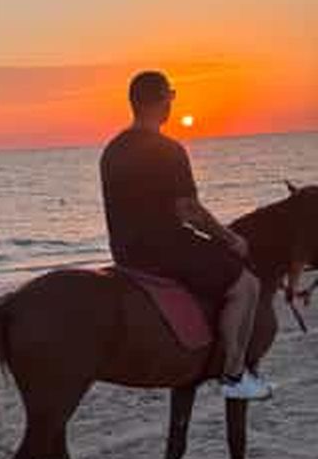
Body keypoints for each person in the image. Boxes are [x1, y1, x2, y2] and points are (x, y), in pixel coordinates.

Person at [100, 71, 271, 401]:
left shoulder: (113, 150)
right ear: (161, 101)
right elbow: (189, 211)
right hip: (165, 248)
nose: (170, 105)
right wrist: (229, 238)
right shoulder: (167, 149)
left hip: (124, 252)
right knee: (246, 284)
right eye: (170, 97)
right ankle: (234, 375)